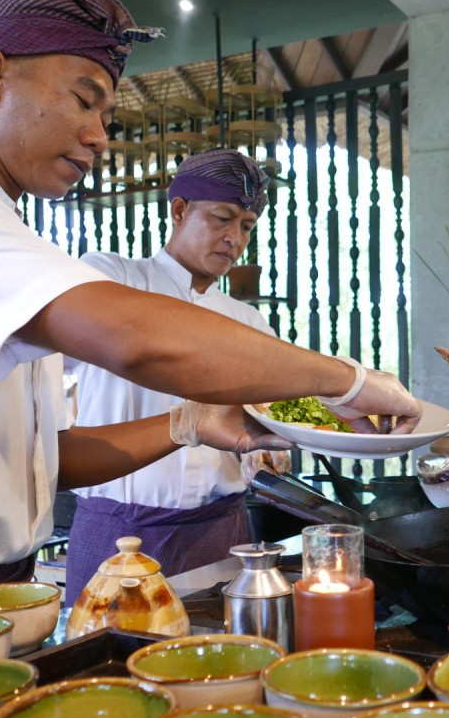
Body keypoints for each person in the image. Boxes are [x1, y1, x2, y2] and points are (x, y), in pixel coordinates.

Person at [0, 0, 420, 668]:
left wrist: (189, 424)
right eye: (84, 100)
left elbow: (47, 457)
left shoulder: (11, 240)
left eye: (105, 113)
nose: (99, 135)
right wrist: (346, 380)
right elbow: (133, 335)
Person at [65, 149, 288, 597]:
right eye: (222, 218)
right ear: (179, 210)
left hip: (220, 532)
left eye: (246, 226)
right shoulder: (110, 278)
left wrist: (266, 450)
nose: (235, 238)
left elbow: (270, 412)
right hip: (115, 532)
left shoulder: (249, 321)